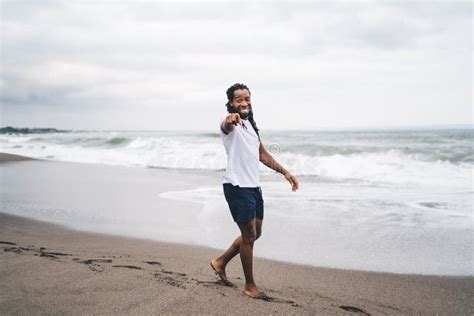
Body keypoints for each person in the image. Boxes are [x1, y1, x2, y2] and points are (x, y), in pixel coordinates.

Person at [210, 83, 299, 301]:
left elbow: (263, 156)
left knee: (255, 234)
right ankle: (250, 286)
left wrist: (285, 172)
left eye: (247, 98)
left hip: (253, 187)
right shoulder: (231, 125)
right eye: (239, 99)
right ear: (231, 103)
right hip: (236, 186)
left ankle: (220, 262)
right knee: (249, 236)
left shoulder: (250, 127)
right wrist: (230, 119)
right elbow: (226, 125)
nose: (244, 102)